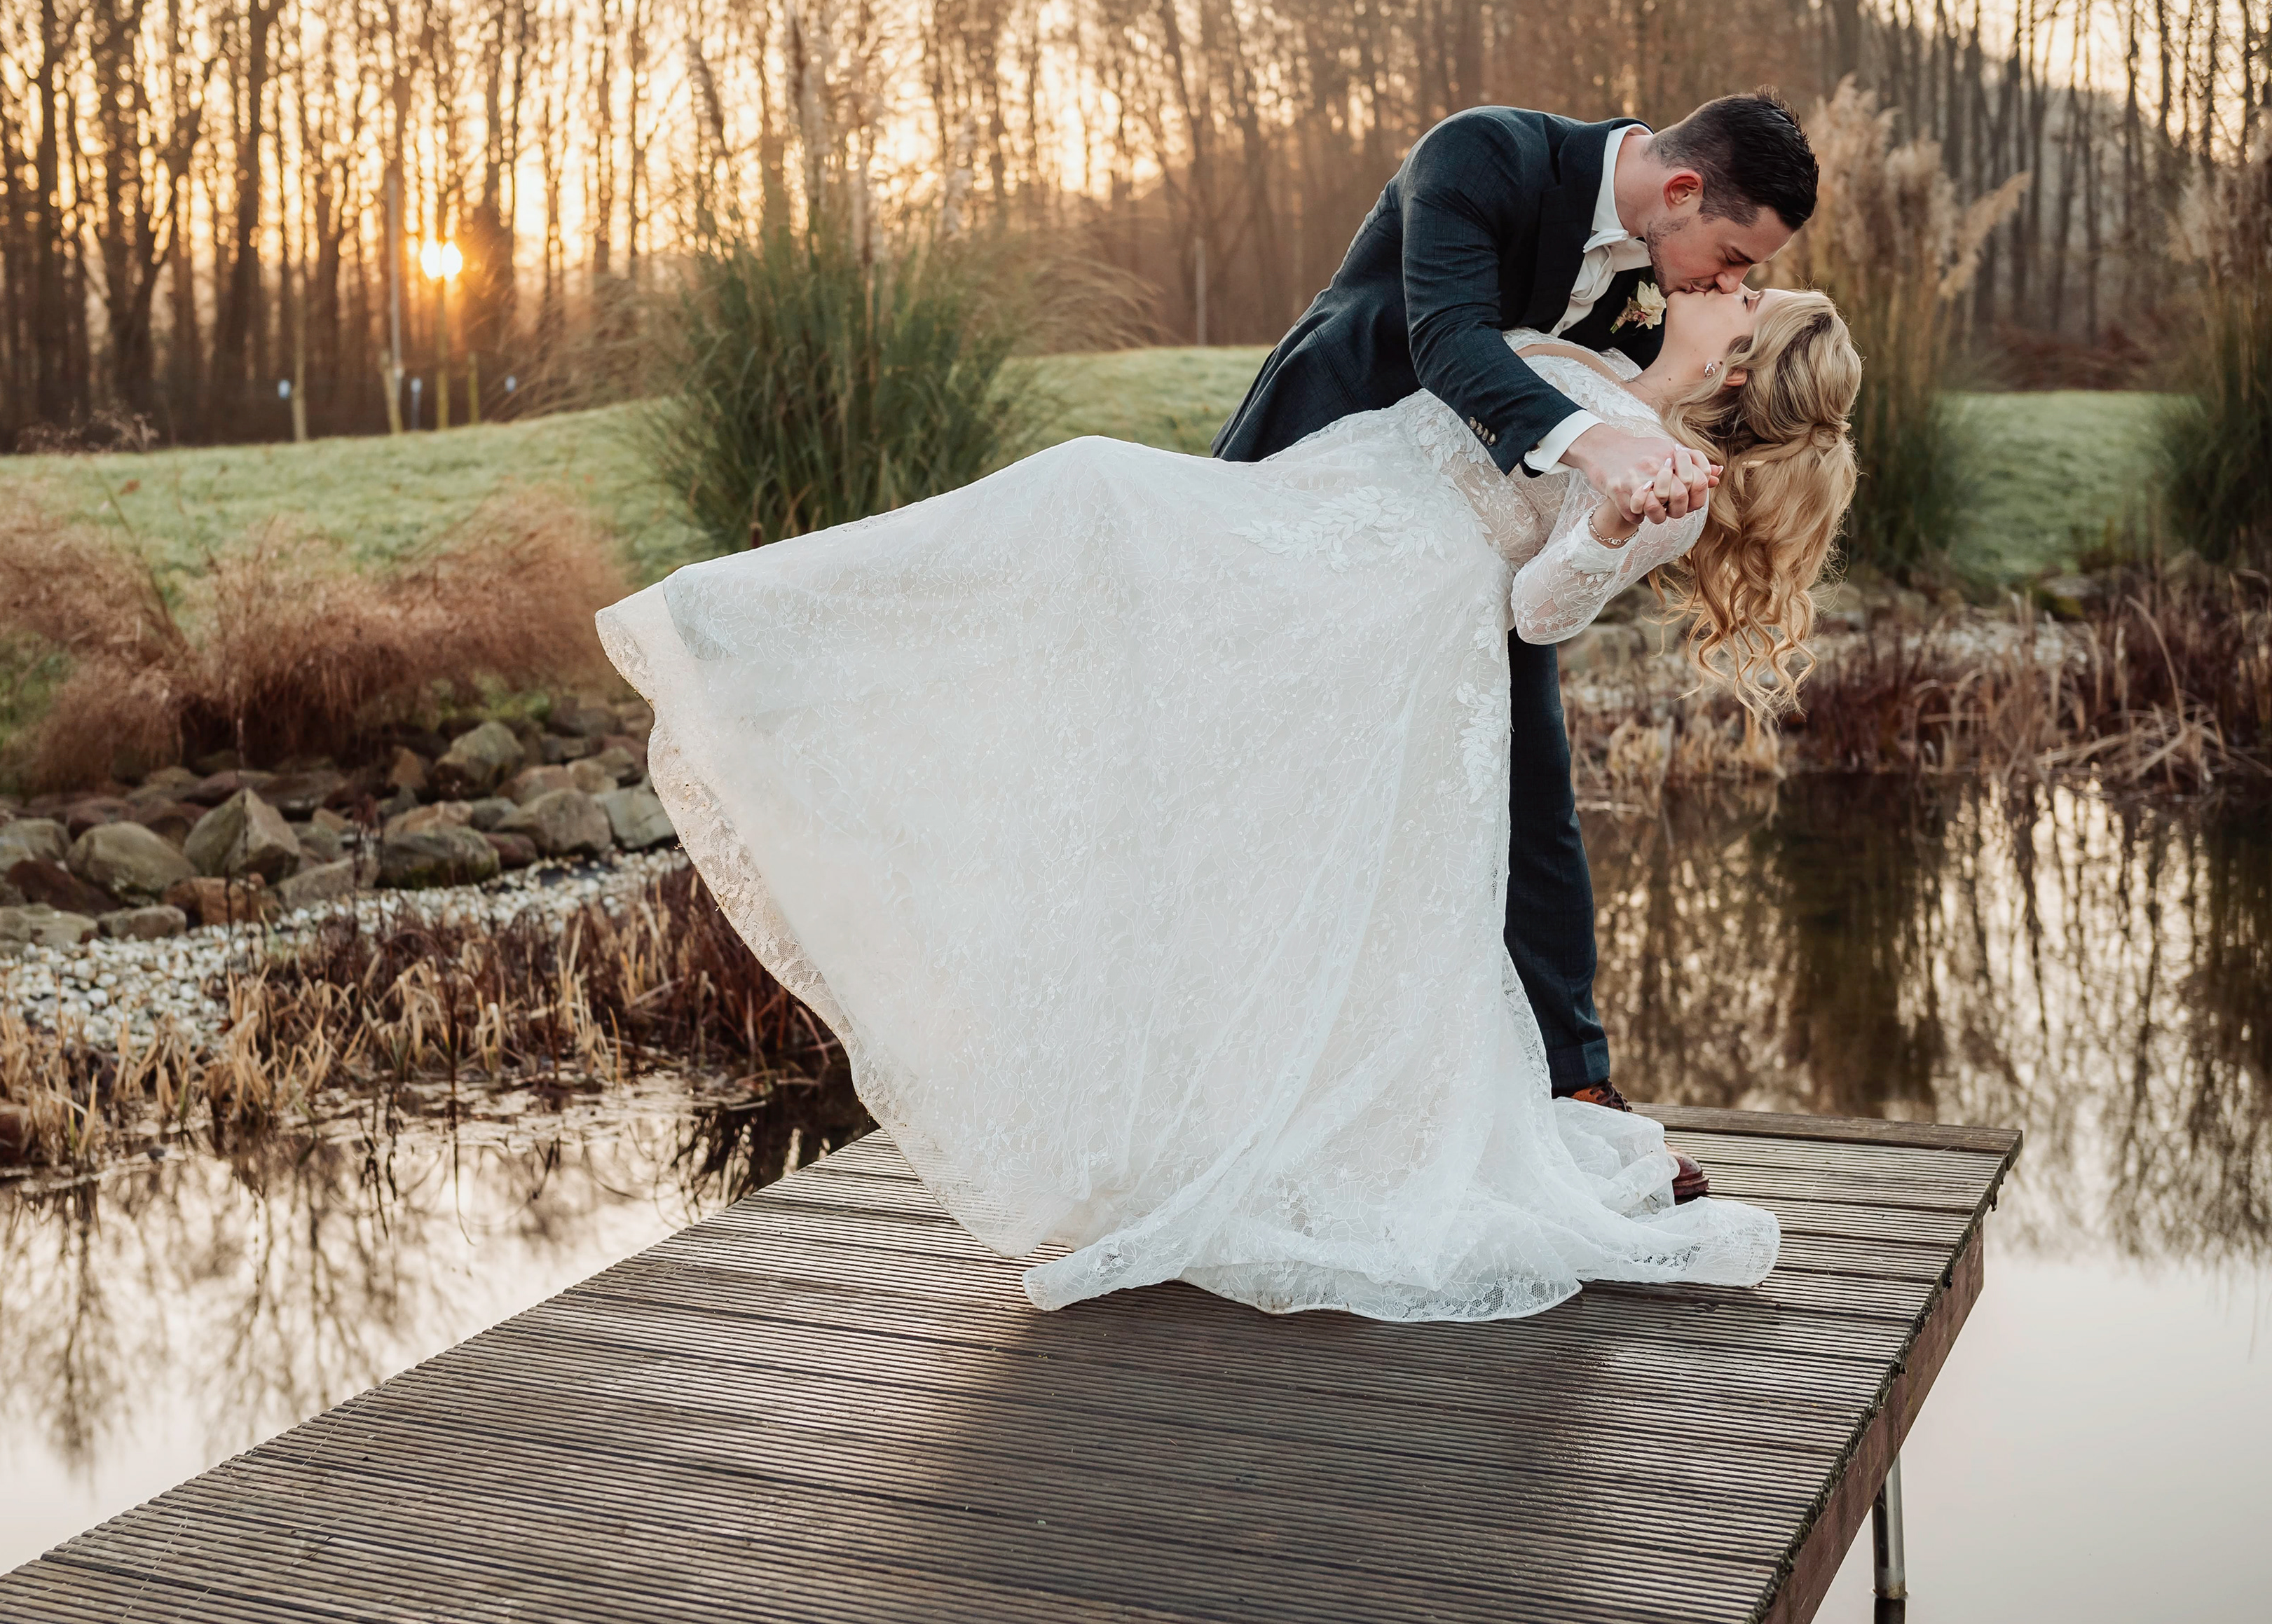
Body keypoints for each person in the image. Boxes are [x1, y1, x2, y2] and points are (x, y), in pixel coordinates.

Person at [599, 269, 1860, 1323]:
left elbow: (1539, 612)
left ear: (1737, 371)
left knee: (1092, 498)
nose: (1724, 283)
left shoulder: (1671, 487)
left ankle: (744, 640)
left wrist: (1602, 529)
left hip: (1377, 600)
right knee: (1093, 531)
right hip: (1292, 517)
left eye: (1746, 303)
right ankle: (762, 648)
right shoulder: (1597, 363)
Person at [1213, 92, 1822, 1205]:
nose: (1719, 283)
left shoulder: (1661, 278)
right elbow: (1446, 336)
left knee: (1533, 789)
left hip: (1478, 559)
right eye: (1727, 256)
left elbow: (1619, 387)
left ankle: (1570, 1093)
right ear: (1681, 192)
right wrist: (1611, 450)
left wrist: (1650, 426)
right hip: (1331, 497)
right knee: (1289, 798)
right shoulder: (1483, 153)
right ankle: (1249, 1089)